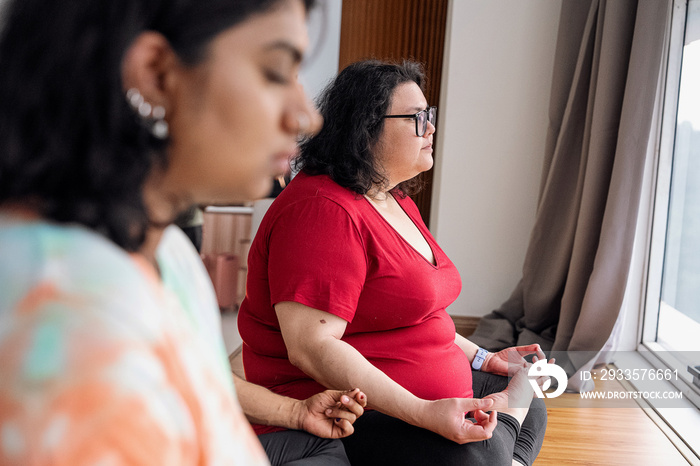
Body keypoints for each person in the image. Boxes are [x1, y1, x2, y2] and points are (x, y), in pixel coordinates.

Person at [0, 0, 366, 464]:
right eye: (275, 72)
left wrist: (293, 412)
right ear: (156, 73)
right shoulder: (63, 327)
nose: (306, 116)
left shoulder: (167, 252)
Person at [238, 59, 550, 466]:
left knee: (531, 408)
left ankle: (505, 437)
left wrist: (483, 359)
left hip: (418, 387)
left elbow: (420, 315)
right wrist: (424, 412)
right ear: (365, 126)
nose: (432, 128)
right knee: (483, 450)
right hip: (342, 405)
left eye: (430, 115)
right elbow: (311, 348)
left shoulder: (392, 197)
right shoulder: (322, 211)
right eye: (417, 118)